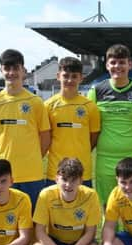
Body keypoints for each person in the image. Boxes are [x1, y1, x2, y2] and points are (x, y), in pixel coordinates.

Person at [0, 49, 50, 209]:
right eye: (7, 68)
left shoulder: (35, 102)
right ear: (1, 70)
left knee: (34, 220)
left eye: (16, 68)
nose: (11, 73)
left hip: (32, 173)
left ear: (23, 71)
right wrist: (3, 156)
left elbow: (45, 137)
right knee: (8, 218)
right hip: (5, 174)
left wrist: (33, 157)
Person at [87, 44, 132, 206]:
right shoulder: (96, 91)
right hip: (105, 160)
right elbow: (91, 125)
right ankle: (110, 232)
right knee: (107, 205)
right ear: (107, 65)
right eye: (113, 62)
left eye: (122, 62)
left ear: (130, 64)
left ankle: (129, 233)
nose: (117, 67)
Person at [30, 158, 101, 245]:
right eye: (64, 179)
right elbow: (39, 231)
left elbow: (91, 232)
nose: (68, 185)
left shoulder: (90, 195)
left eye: (73, 180)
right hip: (55, 241)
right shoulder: (46, 194)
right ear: (56, 178)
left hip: (79, 242)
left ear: (81, 180)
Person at [45, 57, 100, 188]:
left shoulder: (90, 106)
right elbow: (45, 137)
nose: (70, 80)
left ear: (81, 78)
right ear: (58, 76)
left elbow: (93, 137)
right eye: (66, 76)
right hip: (56, 170)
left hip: (82, 171)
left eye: (74, 76)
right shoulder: (47, 106)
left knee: (82, 208)